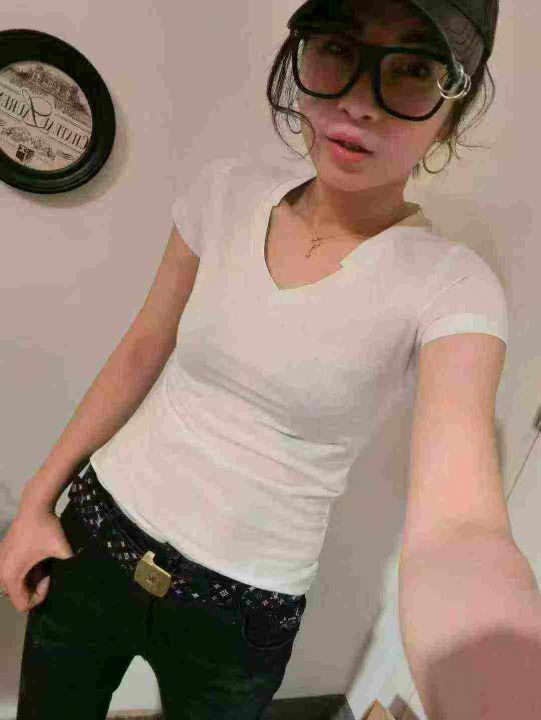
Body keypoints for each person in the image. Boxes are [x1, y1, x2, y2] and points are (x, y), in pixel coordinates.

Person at [0, 0, 506, 718]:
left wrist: (497, 678)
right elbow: (142, 347)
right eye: (338, 48)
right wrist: (36, 501)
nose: (360, 102)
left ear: (452, 111)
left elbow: (462, 523)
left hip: (241, 613)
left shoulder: (451, 286)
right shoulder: (225, 191)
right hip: (97, 536)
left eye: (414, 69)